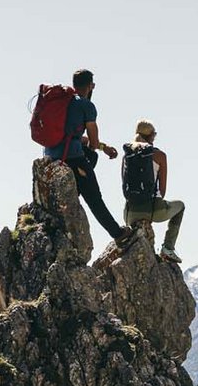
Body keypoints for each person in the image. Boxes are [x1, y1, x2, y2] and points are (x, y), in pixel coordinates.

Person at [43, 69, 134, 247]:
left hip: (50, 157)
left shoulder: (62, 102)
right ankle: (118, 233)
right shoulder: (86, 105)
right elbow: (92, 142)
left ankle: (73, 191)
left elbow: (73, 135)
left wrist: (103, 148)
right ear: (90, 85)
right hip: (72, 159)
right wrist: (99, 146)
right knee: (94, 197)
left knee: (91, 156)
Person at [120, 119, 185, 263]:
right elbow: (162, 191)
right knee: (180, 206)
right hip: (153, 210)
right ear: (151, 136)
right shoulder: (160, 156)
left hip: (129, 213)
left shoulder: (127, 156)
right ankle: (168, 248)